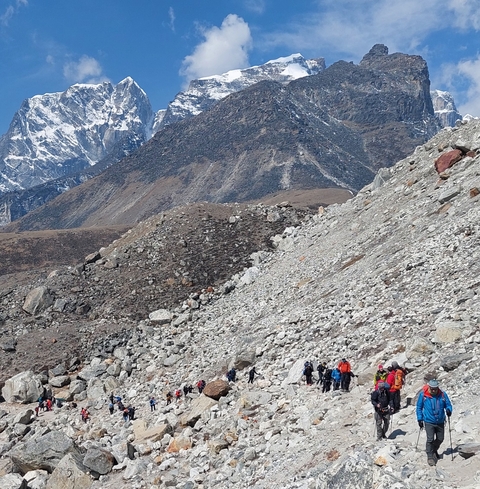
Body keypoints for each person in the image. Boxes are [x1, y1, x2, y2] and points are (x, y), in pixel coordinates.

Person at [416, 379, 452, 466]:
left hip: (440, 421)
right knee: (430, 439)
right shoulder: (423, 395)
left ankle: (433, 449)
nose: (433, 390)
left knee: (440, 438)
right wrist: (420, 419)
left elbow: (448, 404)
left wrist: (449, 410)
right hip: (429, 421)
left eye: (435, 388)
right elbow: (419, 407)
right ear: (429, 387)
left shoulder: (442, 394)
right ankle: (430, 456)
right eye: (432, 388)